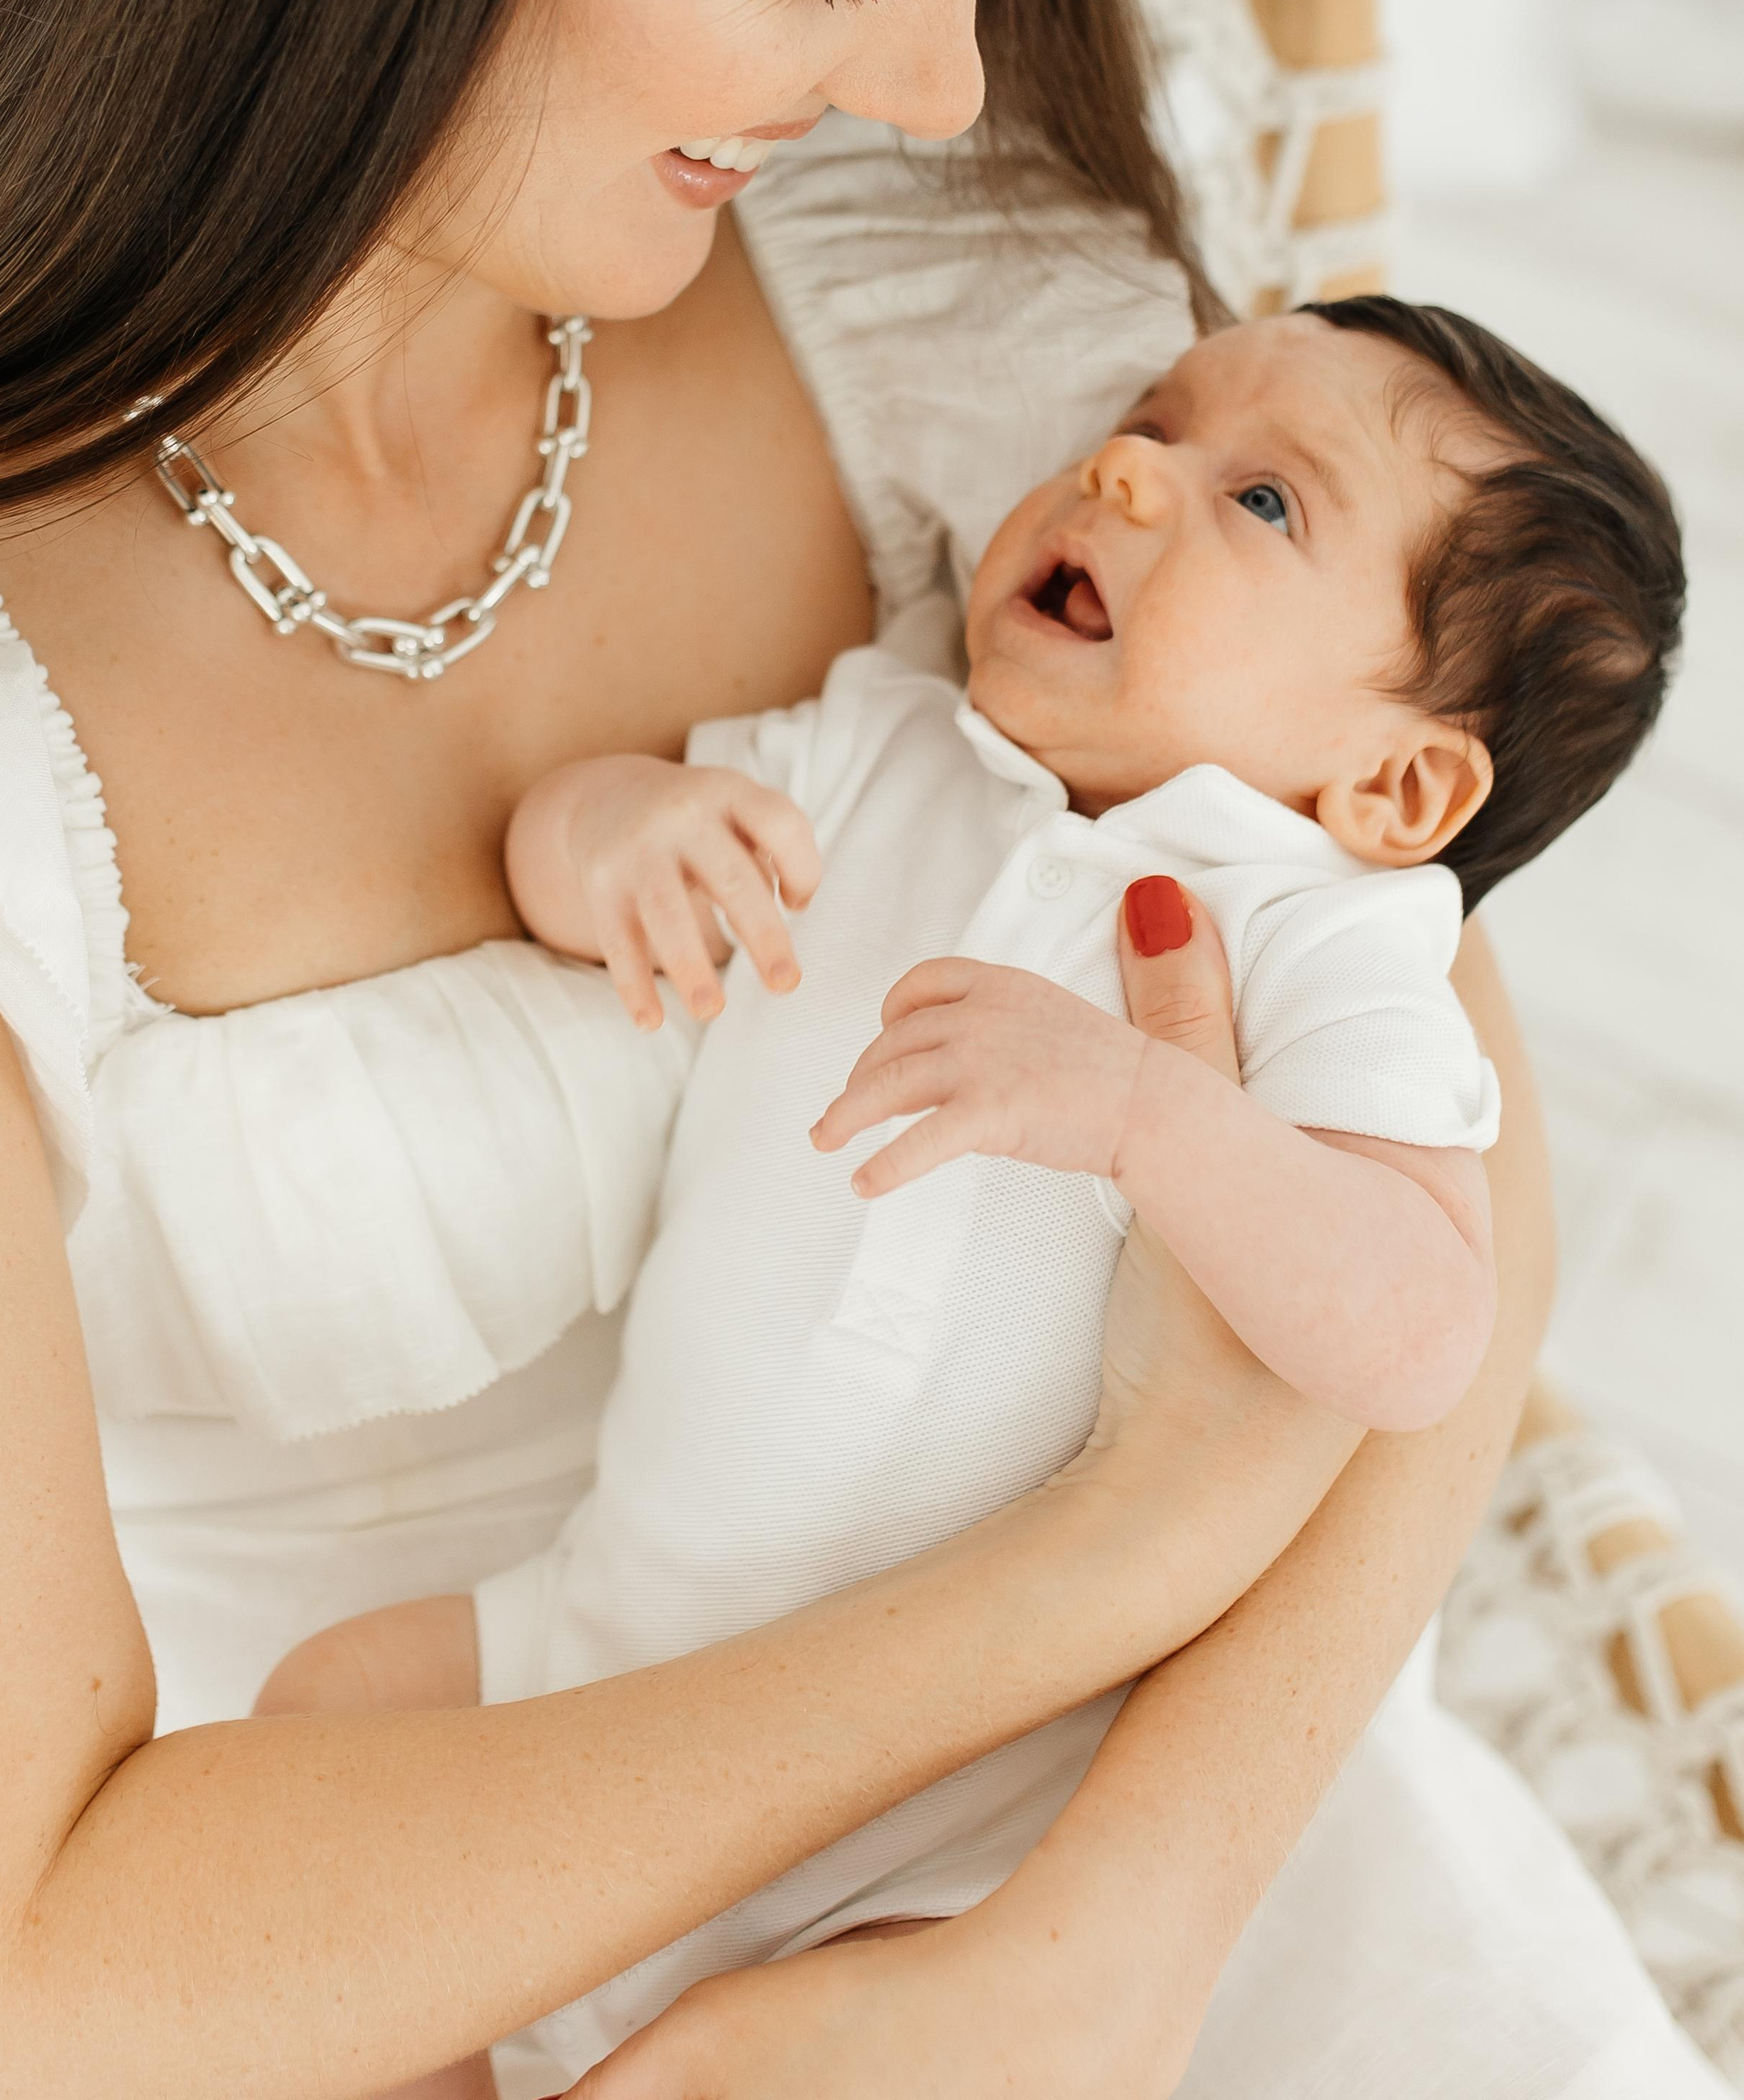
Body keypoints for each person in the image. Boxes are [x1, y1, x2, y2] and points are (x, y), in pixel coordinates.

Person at [0, 0, 1722, 2093]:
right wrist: (1073, 1579)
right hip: (337, 1948)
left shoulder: (939, 326)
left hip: (1122, 1881)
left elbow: (1420, 1069)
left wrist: (1100, 1949)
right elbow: (2, 1969)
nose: (941, 80)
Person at [260, 295, 1687, 2095]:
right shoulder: (888, 745)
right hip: (623, 1636)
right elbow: (584, 847)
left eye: (1261, 502)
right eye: (1150, 420)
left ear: (1398, 783)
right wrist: (613, 834)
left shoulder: (1322, 942)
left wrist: (1146, 1114)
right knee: (316, 1730)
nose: (1126, 465)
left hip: (974, 1789)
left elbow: (1415, 1327)